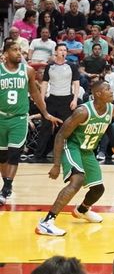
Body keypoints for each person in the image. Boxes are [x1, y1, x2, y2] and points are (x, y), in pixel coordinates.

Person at [36, 80, 114, 236]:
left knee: (98, 189)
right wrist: (56, 165)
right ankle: (46, 222)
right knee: (77, 180)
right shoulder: (82, 112)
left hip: (87, 151)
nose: (111, 91)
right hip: (72, 147)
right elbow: (60, 135)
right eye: (108, 89)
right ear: (98, 94)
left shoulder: (111, 109)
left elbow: (108, 125)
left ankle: (82, 210)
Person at [0, 40, 58, 205]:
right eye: (14, 50)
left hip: (19, 118)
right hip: (1, 118)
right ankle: (7, 184)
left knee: (14, 154)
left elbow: (35, 93)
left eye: (20, 50)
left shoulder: (28, 71)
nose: (19, 53)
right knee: (2, 156)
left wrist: (45, 113)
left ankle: (6, 188)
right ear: (5, 54)